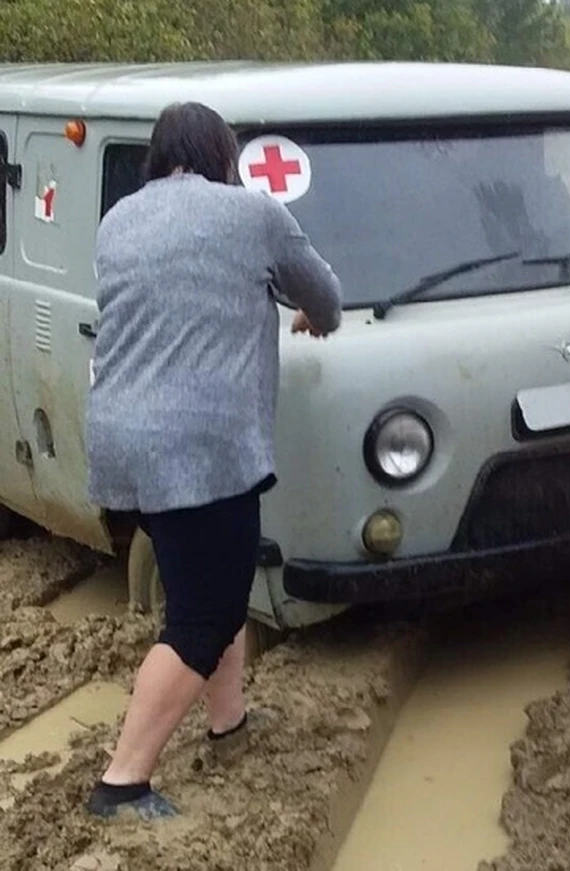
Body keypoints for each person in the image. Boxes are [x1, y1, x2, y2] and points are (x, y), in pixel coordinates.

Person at [84, 102, 342, 819]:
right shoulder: (251, 214)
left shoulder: (118, 221)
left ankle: (228, 722)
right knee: (205, 611)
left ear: (157, 158)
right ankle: (121, 780)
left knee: (213, 580)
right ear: (222, 155)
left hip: (124, 441)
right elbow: (326, 295)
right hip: (198, 448)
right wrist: (311, 315)